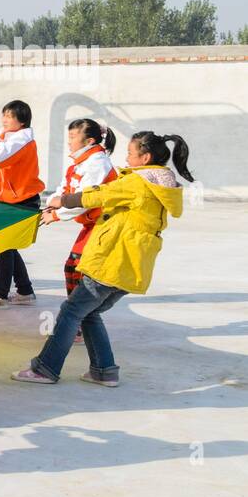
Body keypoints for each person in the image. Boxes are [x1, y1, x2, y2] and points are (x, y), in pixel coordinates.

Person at [14, 131, 191, 388]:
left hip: (112, 261)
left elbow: (100, 194)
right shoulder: (160, 186)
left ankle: (46, 368)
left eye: (131, 153)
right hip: (131, 266)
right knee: (89, 313)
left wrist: (62, 200)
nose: (127, 158)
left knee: (71, 311)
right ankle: (104, 371)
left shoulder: (138, 183)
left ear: (146, 157)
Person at [41, 119, 118, 341]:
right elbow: (66, 190)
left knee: (78, 270)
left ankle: (77, 322)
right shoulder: (81, 162)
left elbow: (85, 200)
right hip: (91, 225)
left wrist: (56, 214)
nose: (70, 142)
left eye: (74, 137)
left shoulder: (97, 164)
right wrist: (50, 204)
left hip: (102, 225)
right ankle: (78, 321)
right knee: (73, 269)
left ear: (90, 140)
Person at [0, 99, 45, 309]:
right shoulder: (6, 135)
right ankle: (25, 291)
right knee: (8, 247)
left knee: (3, 246)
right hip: (11, 199)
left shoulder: (20, 141)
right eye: (4, 115)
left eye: (10, 116)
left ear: (21, 121)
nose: (5, 119)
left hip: (22, 200)